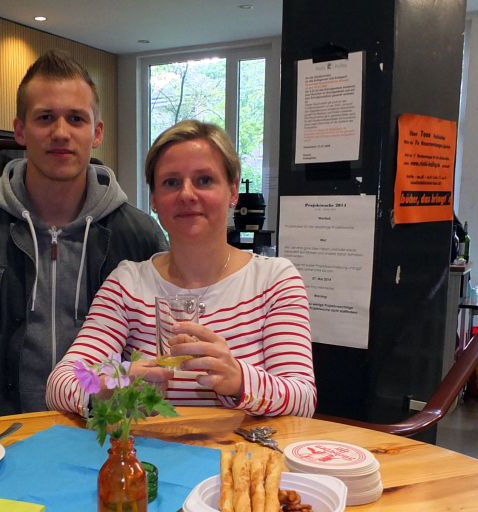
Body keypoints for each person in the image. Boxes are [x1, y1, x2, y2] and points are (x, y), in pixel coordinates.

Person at [0, 50, 168, 427]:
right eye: (45, 117)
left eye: (76, 118)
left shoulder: (139, 236)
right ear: (20, 130)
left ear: (96, 132)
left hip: (104, 438)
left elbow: (159, 355)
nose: (61, 132)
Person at [47, 120, 316, 417]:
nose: (187, 194)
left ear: (233, 191)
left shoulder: (274, 280)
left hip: (246, 448)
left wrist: (239, 380)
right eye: (171, 183)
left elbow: (303, 399)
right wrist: (112, 386)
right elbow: (60, 384)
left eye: (204, 180)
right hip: (148, 448)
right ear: (154, 199)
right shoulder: (128, 283)